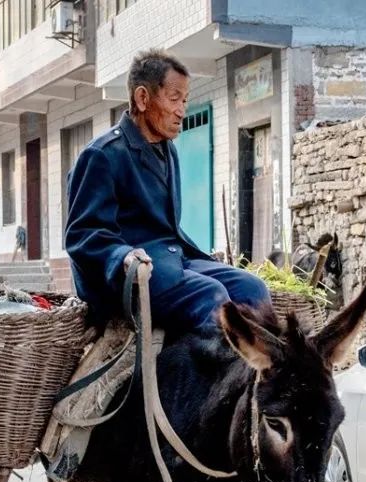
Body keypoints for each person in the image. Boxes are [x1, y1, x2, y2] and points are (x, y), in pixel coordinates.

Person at [64, 49, 270, 334]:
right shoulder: (103, 155)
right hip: (132, 278)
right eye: (174, 99)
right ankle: (213, 375)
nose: (181, 110)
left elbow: (166, 227)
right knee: (212, 296)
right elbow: (82, 236)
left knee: (253, 289)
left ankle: (255, 373)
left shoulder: (167, 150)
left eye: (184, 101)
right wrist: (122, 256)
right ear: (143, 98)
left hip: (173, 262)